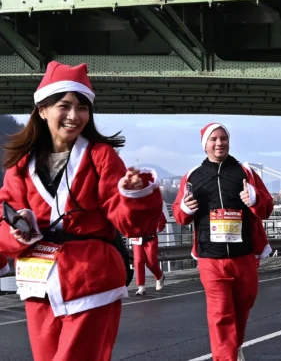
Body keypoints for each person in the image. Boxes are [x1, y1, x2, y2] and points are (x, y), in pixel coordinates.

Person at [0, 61, 163, 361]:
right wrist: (16, 230)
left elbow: (128, 222)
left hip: (90, 281)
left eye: (83, 107)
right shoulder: (22, 163)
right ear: (43, 109)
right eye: (65, 106)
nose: (75, 116)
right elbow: (3, 216)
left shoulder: (101, 156)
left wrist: (134, 193)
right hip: (38, 285)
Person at [174, 122, 274, 361]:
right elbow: (179, 215)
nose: (219, 143)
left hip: (244, 255)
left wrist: (255, 198)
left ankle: (235, 345)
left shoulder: (246, 172)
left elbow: (267, 207)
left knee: (243, 305)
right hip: (211, 256)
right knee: (220, 314)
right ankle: (226, 357)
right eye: (214, 139)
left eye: (223, 138)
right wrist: (185, 208)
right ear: (205, 145)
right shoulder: (192, 176)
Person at [131, 208, 168, 295]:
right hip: (137, 237)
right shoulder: (132, 206)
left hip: (150, 238)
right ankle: (141, 287)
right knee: (138, 261)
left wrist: (155, 229)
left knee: (151, 263)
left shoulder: (153, 205)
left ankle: (160, 276)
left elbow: (162, 220)